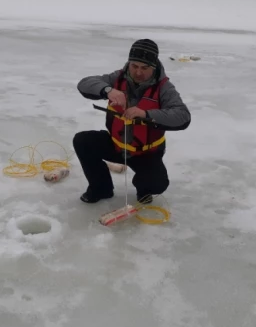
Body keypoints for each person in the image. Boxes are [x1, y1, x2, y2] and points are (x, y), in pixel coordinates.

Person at [73, 39, 191, 204]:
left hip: (146, 153)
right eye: (134, 66)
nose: (138, 72)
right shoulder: (118, 78)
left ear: (154, 67)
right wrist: (107, 90)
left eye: (145, 68)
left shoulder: (164, 88)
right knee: (83, 141)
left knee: (157, 184)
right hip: (116, 145)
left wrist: (146, 113)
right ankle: (101, 189)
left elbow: (183, 116)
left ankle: (143, 189)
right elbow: (84, 84)